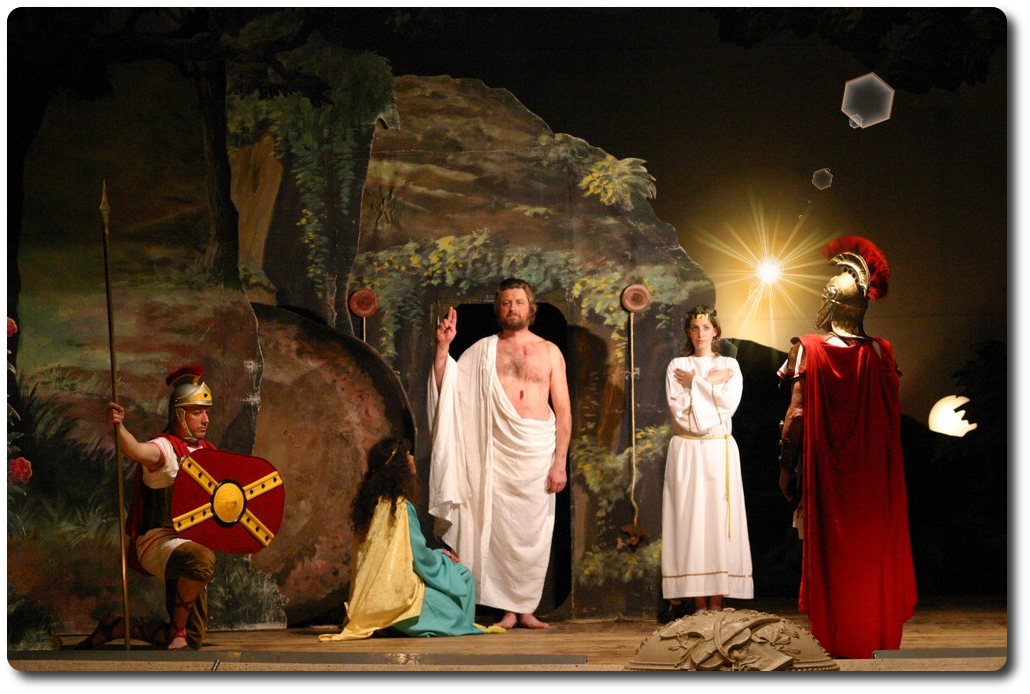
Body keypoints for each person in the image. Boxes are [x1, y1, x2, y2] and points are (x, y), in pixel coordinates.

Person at [777, 236, 917, 659]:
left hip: (830, 478)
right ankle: (870, 637)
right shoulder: (881, 352)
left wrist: (786, 468)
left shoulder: (809, 348)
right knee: (871, 555)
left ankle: (839, 639)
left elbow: (796, 416)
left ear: (835, 303)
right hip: (874, 481)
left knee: (835, 555)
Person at [428, 278, 571, 629]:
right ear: (498, 309)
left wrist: (560, 462)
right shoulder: (482, 350)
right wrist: (444, 348)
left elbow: (564, 410)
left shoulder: (550, 351)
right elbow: (450, 389)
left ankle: (527, 608)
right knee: (501, 530)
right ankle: (508, 609)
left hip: (537, 449)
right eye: (506, 303)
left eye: (519, 302)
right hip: (497, 453)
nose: (512, 309)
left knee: (533, 532)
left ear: (530, 307)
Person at [77, 365, 218, 650]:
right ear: (179, 414)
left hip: (190, 542)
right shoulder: (165, 448)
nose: (205, 419)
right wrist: (119, 427)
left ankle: (120, 627)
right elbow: (136, 450)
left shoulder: (209, 452)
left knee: (194, 640)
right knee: (201, 559)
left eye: (206, 411)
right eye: (196, 412)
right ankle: (177, 631)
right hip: (159, 540)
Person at [320, 438, 499, 641]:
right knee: (461, 579)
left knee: (455, 578)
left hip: (369, 601)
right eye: (407, 456)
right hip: (400, 597)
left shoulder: (369, 507)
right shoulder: (400, 507)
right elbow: (420, 558)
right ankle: (404, 622)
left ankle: (389, 625)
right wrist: (441, 558)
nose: (413, 458)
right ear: (399, 467)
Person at [661, 305, 753, 617]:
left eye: (706, 327)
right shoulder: (678, 365)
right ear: (688, 332)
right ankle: (698, 602)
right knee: (690, 520)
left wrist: (697, 384)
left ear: (715, 331)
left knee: (718, 519)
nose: (700, 334)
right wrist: (708, 383)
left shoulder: (729, 365)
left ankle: (717, 600)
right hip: (688, 451)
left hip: (717, 449)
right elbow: (683, 414)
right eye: (694, 328)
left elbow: (726, 406)